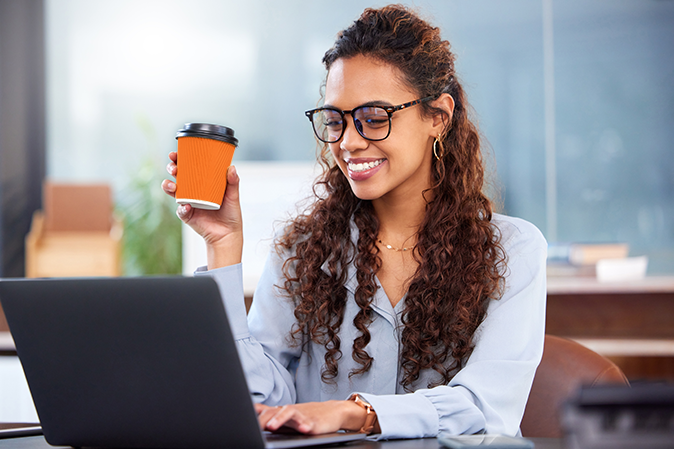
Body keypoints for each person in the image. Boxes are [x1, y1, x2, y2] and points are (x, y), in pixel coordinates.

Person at [162, 4, 546, 440]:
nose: (348, 142)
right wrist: (223, 245)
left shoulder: (513, 250)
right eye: (335, 120)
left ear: (438, 116)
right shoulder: (305, 248)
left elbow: (485, 407)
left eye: (373, 118)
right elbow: (256, 398)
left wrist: (355, 414)